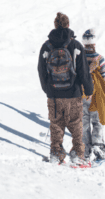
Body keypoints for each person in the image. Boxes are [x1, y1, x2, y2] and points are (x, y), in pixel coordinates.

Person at [38, 12, 93, 165]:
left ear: (55, 25)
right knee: (76, 125)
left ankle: (56, 153)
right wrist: (88, 90)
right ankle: (78, 155)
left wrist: (48, 89)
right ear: (68, 25)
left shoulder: (46, 46)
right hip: (73, 94)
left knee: (56, 125)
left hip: (54, 95)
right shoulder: (75, 46)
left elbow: (41, 71)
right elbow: (84, 71)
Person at [81, 27, 105, 160]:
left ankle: (85, 149)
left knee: (84, 121)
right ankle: (97, 146)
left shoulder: (78, 57)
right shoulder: (99, 58)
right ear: (94, 43)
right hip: (97, 95)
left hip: (82, 94)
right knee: (97, 121)